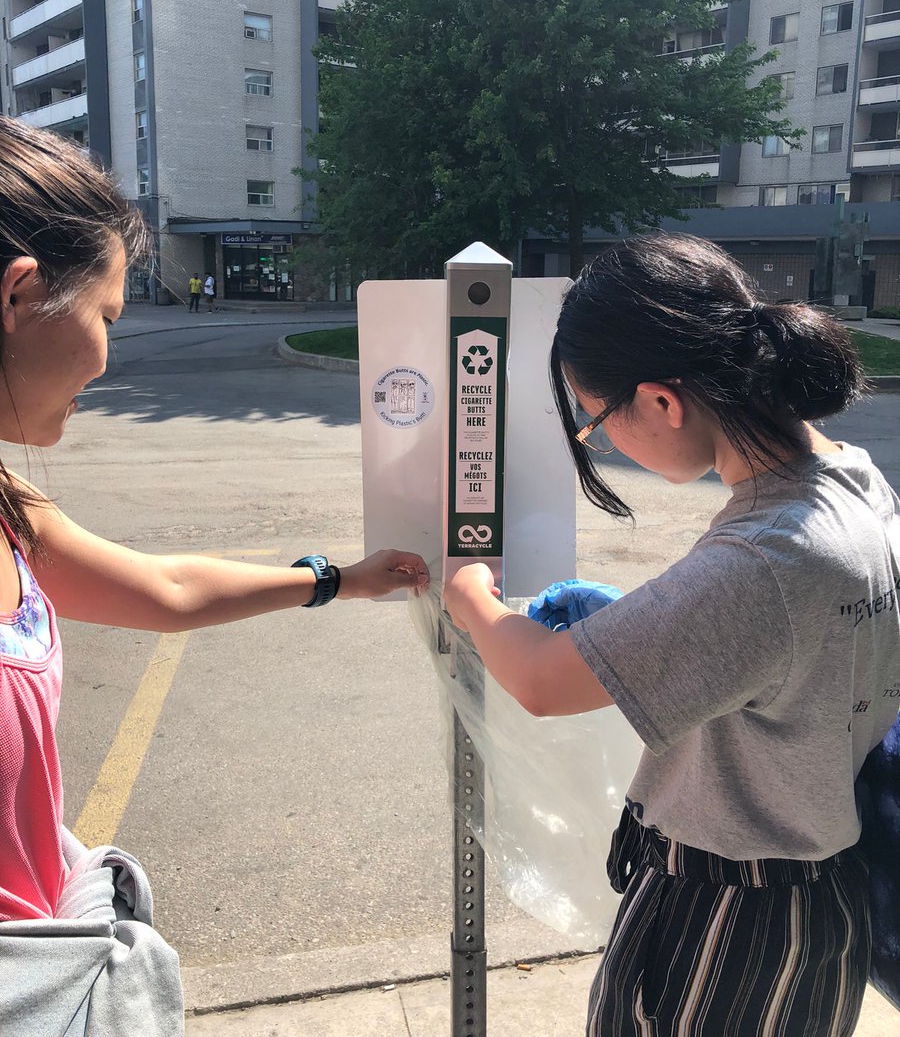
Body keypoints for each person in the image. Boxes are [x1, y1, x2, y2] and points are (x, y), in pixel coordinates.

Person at [0, 116, 428, 1031]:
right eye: (107, 316)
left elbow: (165, 591)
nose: (109, 359)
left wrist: (336, 580)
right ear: (20, 293)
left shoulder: (9, 507)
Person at [445, 232, 900, 1037]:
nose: (604, 440)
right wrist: (659, 630)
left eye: (597, 420)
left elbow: (543, 681)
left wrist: (470, 594)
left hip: (729, 919)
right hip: (818, 901)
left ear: (661, 400)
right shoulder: (854, 480)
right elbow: (794, 651)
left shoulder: (770, 553)